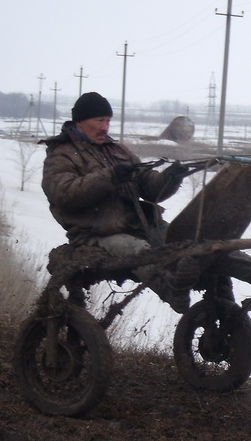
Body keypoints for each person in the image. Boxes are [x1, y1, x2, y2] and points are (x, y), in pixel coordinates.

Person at [41, 91, 197, 311]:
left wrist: (170, 178)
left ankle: (231, 290)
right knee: (141, 253)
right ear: (80, 122)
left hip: (140, 226)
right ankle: (173, 291)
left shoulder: (117, 150)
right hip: (97, 234)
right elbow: (64, 195)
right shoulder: (61, 155)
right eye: (99, 120)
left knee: (190, 243)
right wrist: (110, 177)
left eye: (107, 121)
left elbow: (150, 188)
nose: (105, 127)